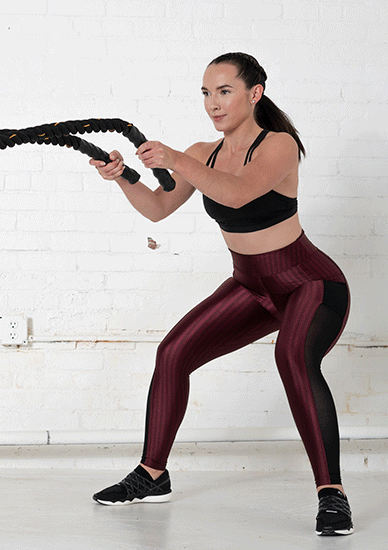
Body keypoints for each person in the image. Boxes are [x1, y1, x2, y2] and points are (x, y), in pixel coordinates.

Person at [88, 52, 353, 536]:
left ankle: (331, 494)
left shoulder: (279, 145)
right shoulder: (202, 153)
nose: (213, 103)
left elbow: (237, 193)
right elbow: (158, 208)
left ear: (255, 94)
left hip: (310, 283)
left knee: (293, 357)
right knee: (173, 353)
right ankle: (152, 474)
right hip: (251, 285)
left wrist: (176, 160)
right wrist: (123, 176)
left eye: (225, 91)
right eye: (207, 93)